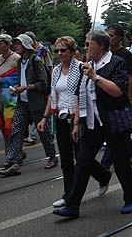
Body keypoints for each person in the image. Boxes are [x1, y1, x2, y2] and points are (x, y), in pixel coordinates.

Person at [53, 30, 132, 218]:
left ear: (100, 45)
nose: (85, 47)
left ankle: (131, 198)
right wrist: (76, 123)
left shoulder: (116, 62)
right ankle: (73, 205)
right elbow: (78, 95)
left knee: (121, 162)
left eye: (88, 43)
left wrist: (95, 77)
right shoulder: (86, 65)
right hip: (92, 123)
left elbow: (118, 92)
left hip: (113, 121)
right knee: (83, 161)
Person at [36, 36, 103, 207]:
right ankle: (69, 196)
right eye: (57, 50)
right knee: (66, 159)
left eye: (63, 50)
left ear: (72, 51)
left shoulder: (82, 68)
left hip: (77, 118)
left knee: (82, 158)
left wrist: (76, 123)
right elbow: (53, 94)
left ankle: (103, 176)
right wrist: (45, 117)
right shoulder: (56, 70)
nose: (59, 53)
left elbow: (80, 96)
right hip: (60, 117)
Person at [0, 34, 57, 177]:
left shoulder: (36, 60)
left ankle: (52, 157)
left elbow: (43, 84)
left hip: (36, 103)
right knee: (16, 130)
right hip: (22, 102)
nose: (15, 46)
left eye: (18, 44)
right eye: (15, 44)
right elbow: (21, 81)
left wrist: (25, 87)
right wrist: (17, 88)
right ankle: (14, 163)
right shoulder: (20, 62)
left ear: (26, 45)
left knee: (43, 132)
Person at [101, 24, 132, 164]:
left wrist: (129, 98)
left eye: (111, 36)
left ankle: (105, 165)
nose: (108, 38)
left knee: (115, 130)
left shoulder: (126, 55)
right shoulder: (105, 53)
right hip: (106, 97)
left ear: (119, 37)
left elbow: (131, 78)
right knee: (117, 130)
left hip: (120, 97)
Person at [0, 34, 20, 152]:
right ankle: (10, 151)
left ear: (8, 44)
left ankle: (14, 152)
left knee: (12, 124)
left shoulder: (16, 58)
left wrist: (3, 80)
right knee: (3, 122)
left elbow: (18, 77)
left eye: (1, 44)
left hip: (11, 96)